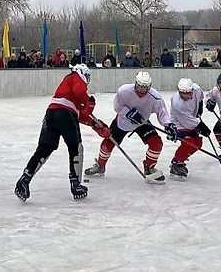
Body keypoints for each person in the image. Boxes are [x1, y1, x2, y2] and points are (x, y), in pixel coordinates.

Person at [14, 63, 111, 201]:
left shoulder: (68, 90)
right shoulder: (75, 77)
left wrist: (99, 126)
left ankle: (24, 180)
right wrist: (88, 101)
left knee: (45, 148)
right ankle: (75, 184)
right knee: (75, 147)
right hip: (65, 114)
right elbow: (79, 93)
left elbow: (82, 116)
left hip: (51, 114)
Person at [84, 71, 176, 184]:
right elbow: (117, 106)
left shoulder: (155, 97)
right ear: (136, 83)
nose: (142, 90)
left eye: (145, 87)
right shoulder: (124, 91)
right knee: (107, 144)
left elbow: (162, 113)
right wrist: (128, 113)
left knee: (156, 143)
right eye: (140, 86)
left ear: (150, 86)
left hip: (142, 123)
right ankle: (100, 165)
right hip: (123, 122)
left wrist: (168, 124)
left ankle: (149, 168)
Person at [168, 78, 211, 181]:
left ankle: (181, 159)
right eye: (182, 93)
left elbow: (200, 96)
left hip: (191, 119)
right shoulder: (177, 103)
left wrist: (200, 107)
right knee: (189, 141)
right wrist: (202, 126)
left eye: (187, 93)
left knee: (198, 143)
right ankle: (177, 162)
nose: (185, 95)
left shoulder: (196, 89)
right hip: (179, 123)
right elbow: (189, 121)